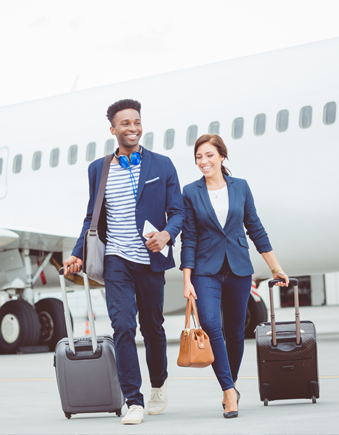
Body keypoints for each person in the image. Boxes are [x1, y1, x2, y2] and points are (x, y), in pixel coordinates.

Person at [63, 99, 184, 425]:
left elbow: (178, 211)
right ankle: (134, 400)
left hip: (150, 258)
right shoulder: (98, 169)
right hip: (116, 258)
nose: (132, 128)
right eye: (125, 123)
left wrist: (167, 234)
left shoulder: (162, 165)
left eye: (136, 122)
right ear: (113, 129)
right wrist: (78, 252)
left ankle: (158, 383)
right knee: (123, 327)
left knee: (153, 327)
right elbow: (93, 216)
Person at [180, 134, 289, 419]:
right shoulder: (191, 192)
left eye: (209, 155)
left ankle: (232, 385)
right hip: (206, 271)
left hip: (239, 268)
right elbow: (189, 237)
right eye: (199, 157)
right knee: (211, 326)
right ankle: (229, 391)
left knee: (236, 333)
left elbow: (255, 227)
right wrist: (187, 279)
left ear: (222, 156)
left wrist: (276, 268)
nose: (203, 162)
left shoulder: (240, 187)